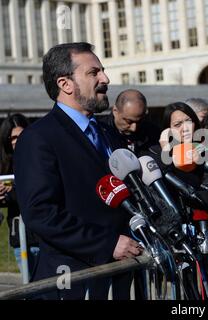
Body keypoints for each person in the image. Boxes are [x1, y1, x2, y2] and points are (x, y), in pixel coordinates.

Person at [13, 42, 142, 300]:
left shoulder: (107, 133)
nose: (106, 78)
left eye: (102, 71)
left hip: (119, 278)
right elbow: (40, 213)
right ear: (66, 84)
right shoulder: (38, 138)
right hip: (71, 282)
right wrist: (107, 244)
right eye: (94, 73)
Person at [0, 113, 39, 274]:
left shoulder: (40, 157)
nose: (17, 141)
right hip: (20, 238)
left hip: (44, 237)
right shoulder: (6, 163)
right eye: (12, 138)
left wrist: (13, 192)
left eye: (20, 135)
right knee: (30, 289)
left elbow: (36, 191)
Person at [100, 89, 160, 157]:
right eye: (129, 121)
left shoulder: (154, 134)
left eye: (139, 121)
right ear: (115, 111)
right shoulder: (99, 134)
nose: (134, 128)